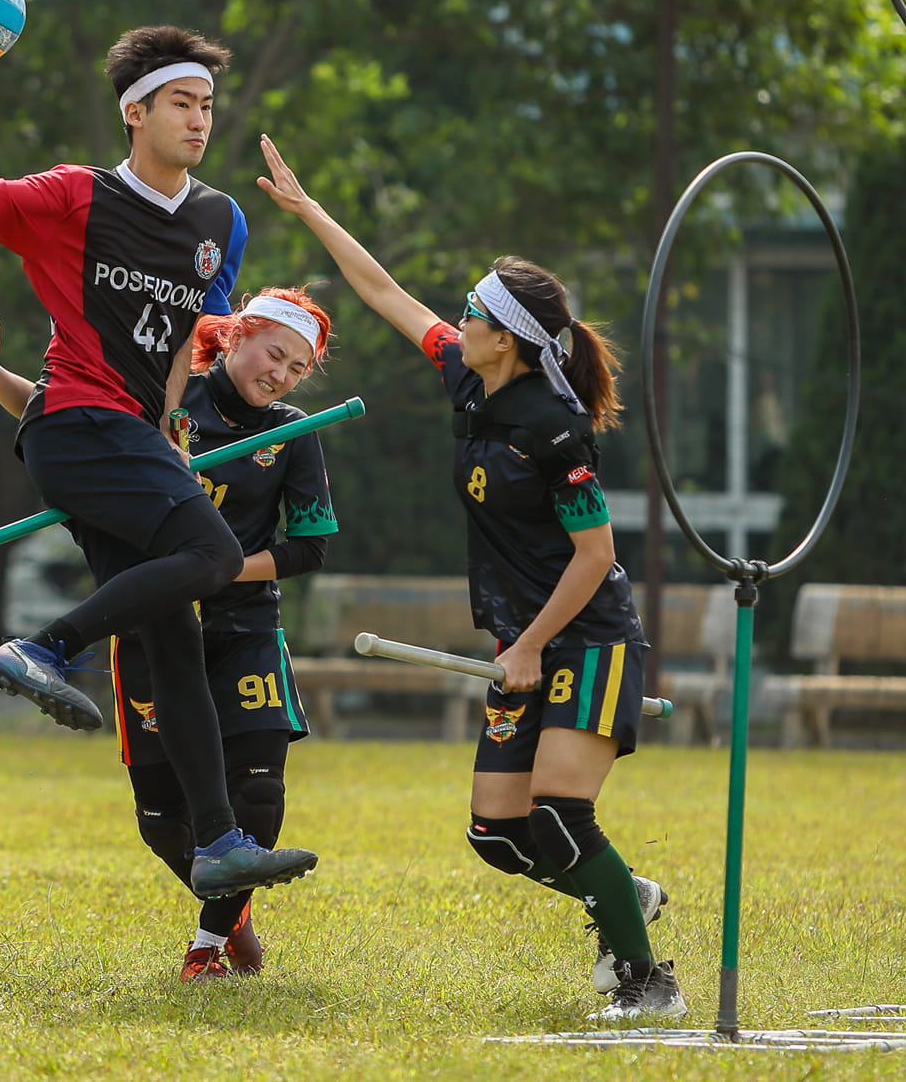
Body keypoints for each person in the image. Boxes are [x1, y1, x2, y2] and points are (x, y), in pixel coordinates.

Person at [254, 135, 681, 1021]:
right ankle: (618, 893)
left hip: (589, 640)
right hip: (521, 642)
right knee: (499, 834)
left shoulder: (552, 426)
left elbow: (596, 556)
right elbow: (382, 292)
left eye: (474, 313)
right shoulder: (468, 375)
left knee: (558, 814)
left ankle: (647, 981)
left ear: (509, 339)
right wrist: (310, 211)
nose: (459, 320)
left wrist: (531, 645)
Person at [0, 24, 315, 899]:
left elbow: (190, 342)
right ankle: (43, 646)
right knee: (213, 558)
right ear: (135, 112)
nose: (199, 120)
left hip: (135, 434)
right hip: (73, 426)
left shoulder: (220, 220)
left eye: (208, 105)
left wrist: (172, 420)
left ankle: (217, 843)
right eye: (182, 103)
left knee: (174, 634)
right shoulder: (75, 196)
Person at [0, 288, 339, 982]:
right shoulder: (168, 399)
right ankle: (236, 914)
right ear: (236, 337)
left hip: (245, 628)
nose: (281, 374)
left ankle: (207, 947)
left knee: (259, 798)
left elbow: (308, 548)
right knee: (164, 821)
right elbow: (61, 425)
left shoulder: (290, 430)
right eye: (275, 353)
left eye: (298, 368)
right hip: (153, 624)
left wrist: (215, 573)